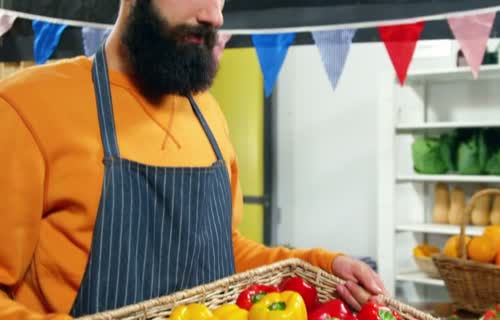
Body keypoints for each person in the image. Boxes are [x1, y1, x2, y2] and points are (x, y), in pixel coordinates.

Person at [0, 0, 386, 318]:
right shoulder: (26, 107)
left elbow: (225, 252)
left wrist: (323, 264)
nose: (214, 15)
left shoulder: (208, 115)